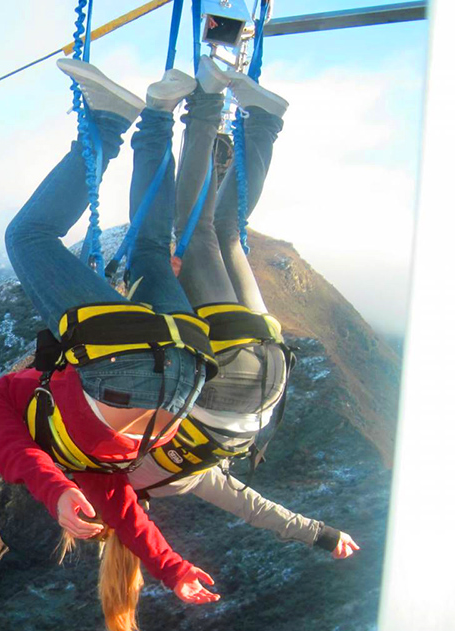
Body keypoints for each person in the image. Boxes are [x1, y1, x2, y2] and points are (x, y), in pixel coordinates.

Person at [0, 59, 226, 631]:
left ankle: (157, 118)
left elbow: (128, 513)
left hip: (186, 367)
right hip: (122, 371)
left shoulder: (81, 462)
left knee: (152, 249)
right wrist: (59, 494)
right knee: (26, 238)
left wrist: (174, 571)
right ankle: (108, 122)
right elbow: (23, 457)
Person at [127, 56, 359, 559]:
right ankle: (208, 101)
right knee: (195, 228)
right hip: (226, 373)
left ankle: (264, 121)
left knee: (227, 234)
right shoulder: (117, 464)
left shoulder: (191, 481)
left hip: (270, 371)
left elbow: (256, 508)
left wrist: (323, 534)